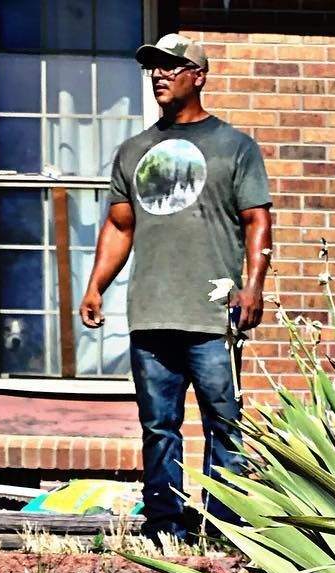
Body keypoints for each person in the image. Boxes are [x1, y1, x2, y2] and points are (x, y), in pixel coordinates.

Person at [79, 33, 273, 545]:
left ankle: (225, 527)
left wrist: (253, 287)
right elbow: (120, 226)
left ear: (199, 76)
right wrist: (96, 286)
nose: (159, 75)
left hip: (213, 315)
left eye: (171, 67)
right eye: (154, 69)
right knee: (158, 427)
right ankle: (165, 525)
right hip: (151, 312)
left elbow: (257, 220)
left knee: (223, 425)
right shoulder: (134, 150)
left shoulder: (235, 146)